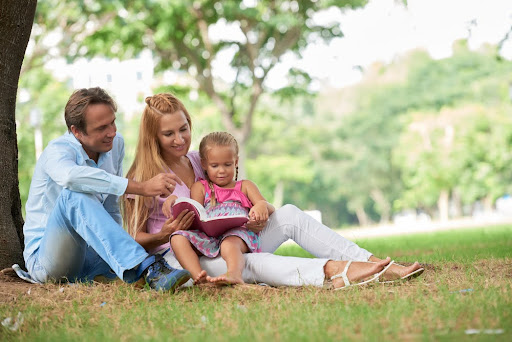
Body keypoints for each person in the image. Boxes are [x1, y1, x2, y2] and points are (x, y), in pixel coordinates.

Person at [123, 93, 424, 289]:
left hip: (225, 239)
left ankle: (372, 261)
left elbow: (229, 200)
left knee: (289, 214)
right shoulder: (141, 177)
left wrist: (256, 215)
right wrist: (165, 234)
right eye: (169, 133)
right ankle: (339, 272)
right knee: (248, 263)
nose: (181, 139)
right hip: (183, 257)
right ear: (153, 135)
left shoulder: (199, 161)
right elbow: (130, 241)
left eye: (184, 128)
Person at [20, 87, 192, 292]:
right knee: (73, 194)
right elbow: (71, 177)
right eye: (101, 128)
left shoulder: (115, 145)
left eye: (113, 122)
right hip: (48, 262)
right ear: (76, 131)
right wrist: (141, 187)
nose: (111, 132)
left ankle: (151, 270)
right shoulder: (57, 151)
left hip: (91, 256)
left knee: (170, 261)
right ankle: (146, 267)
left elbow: (111, 210)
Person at [169, 132, 274, 285]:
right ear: (204, 164)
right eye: (214, 165)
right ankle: (199, 277)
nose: (222, 170)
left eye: (227, 164)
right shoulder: (200, 187)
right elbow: (196, 212)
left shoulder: (245, 186)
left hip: (237, 234)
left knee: (228, 244)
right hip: (209, 236)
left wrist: (261, 205)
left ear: (236, 161)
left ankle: (234, 274)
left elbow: (269, 206)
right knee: (177, 238)